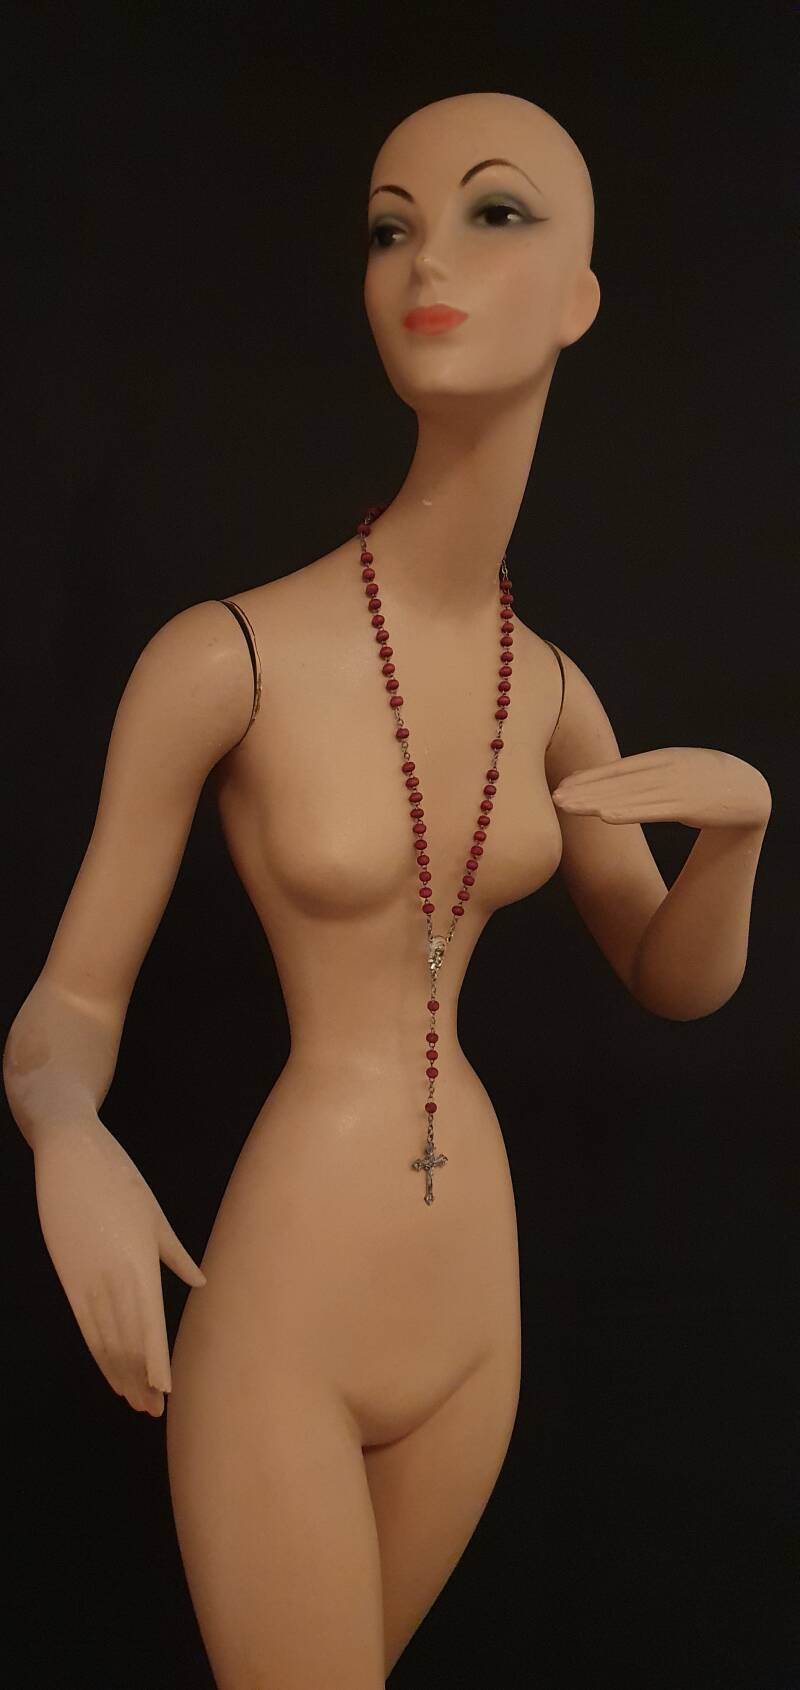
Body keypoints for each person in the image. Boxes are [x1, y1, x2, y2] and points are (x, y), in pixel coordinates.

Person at [2, 90, 772, 1689]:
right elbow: (69, 1005)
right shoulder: (225, 658)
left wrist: (742, 835)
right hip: (286, 1307)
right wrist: (66, 1131)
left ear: (580, 298)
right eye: (390, 224)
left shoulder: (552, 690)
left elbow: (672, 977)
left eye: (495, 212)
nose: (429, 258)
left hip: (473, 1304)